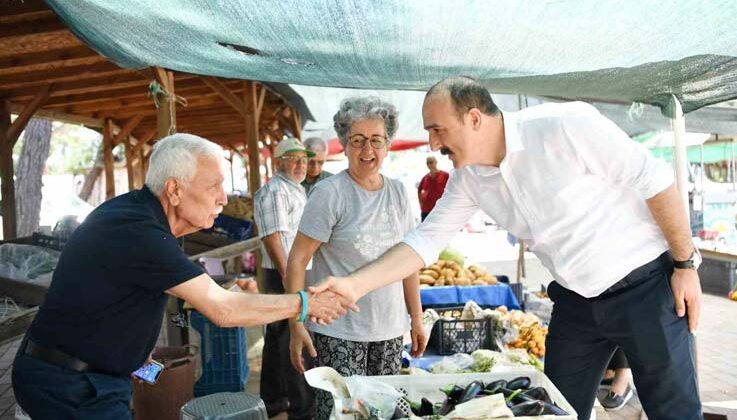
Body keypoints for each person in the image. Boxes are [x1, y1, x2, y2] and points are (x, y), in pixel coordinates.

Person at [312, 77, 703, 420]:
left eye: (436, 129)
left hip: (644, 289)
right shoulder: (467, 179)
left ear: (474, 118)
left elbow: (655, 179)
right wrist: (355, 286)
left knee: (674, 411)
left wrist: (685, 265)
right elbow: (423, 242)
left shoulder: (565, 125)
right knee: (550, 407)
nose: (432, 142)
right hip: (577, 303)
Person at [12, 133, 354, 420]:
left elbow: (137, 294)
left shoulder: (141, 217)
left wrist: (140, 360)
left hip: (93, 374)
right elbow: (224, 310)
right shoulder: (140, 231)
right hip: (73, 385)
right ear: (174, 190)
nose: (223, 198)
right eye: (215, 186)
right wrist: (306, 303)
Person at [286, 97, 427, 420]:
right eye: (358, 140)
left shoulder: (399, 194)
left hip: (390, 332)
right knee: (340, 415)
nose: (367, 151)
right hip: (339, 333)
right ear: (344, 145)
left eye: (376, 140)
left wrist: (415, 318)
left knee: (384, 413)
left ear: (387, 144)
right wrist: (296, 324)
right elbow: (297, 261)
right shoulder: (329, 194)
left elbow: (409, 262)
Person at [253, 137, 316, 419]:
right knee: (291, 336)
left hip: (293, 272)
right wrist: (288, 275)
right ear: (280, 162)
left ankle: (276, 400)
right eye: (294, 158)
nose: (301, 164)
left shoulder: (295, 190)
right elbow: (273, 237)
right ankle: (298, 405)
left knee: (280, 338)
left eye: (304, 158)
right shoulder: (276, 191)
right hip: (284, 273)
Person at [417, 156, 449, 221]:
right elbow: (419, 190)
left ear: (436, 162)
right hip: (426, 210)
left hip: (440, 209)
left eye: (431, 162)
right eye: (427, 163)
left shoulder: (445, 175)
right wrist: (421, 203)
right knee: (425, 229)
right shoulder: (425, 178)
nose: (429, 165)